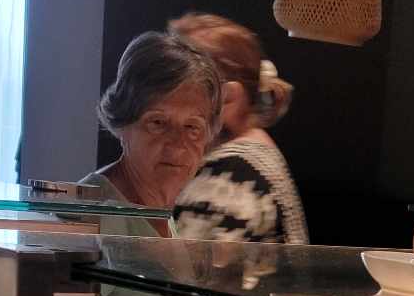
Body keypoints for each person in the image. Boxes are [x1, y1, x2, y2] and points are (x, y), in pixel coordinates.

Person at [168, 12, 309, 245]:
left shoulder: (227, 176)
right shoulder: (250, 156)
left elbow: (183, 266)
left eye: (174, 85)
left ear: (228, 98)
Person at [82, 31, 223, 221]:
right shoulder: (92, 215)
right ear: (123, 122)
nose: (178, 146)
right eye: (158, 123)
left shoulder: (161, 209)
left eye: (192, 127)